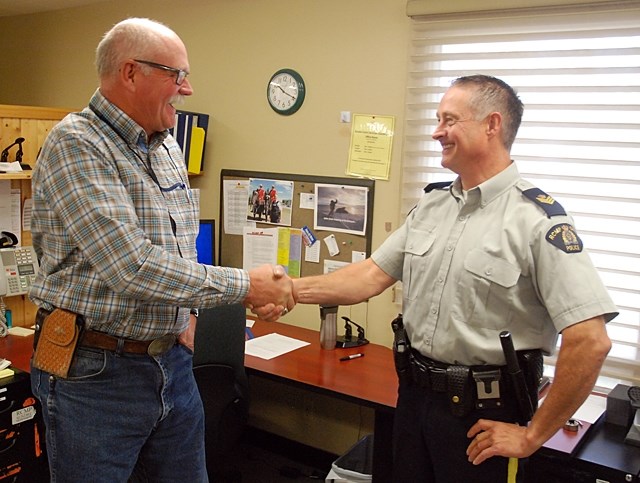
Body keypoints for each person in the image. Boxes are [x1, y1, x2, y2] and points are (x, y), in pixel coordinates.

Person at [284, 75, 617, 482]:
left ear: (491, 125)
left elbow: (591, 340)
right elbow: (369, 276)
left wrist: (532, 435)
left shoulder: (537, 221)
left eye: (449, 119)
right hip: (413, 399)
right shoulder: (431, 205)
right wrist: (288, 290)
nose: (436, 131)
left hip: (484, 419)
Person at [28, 18, 294, 483]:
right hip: (96, 374)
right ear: (130, 73)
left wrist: (185, 314)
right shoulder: (76, 145)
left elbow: (176, 248)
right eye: (177, 75)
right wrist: (245, 286)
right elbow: (130, 267)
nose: (187, 89)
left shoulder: (167, 144)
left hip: (171, 364)